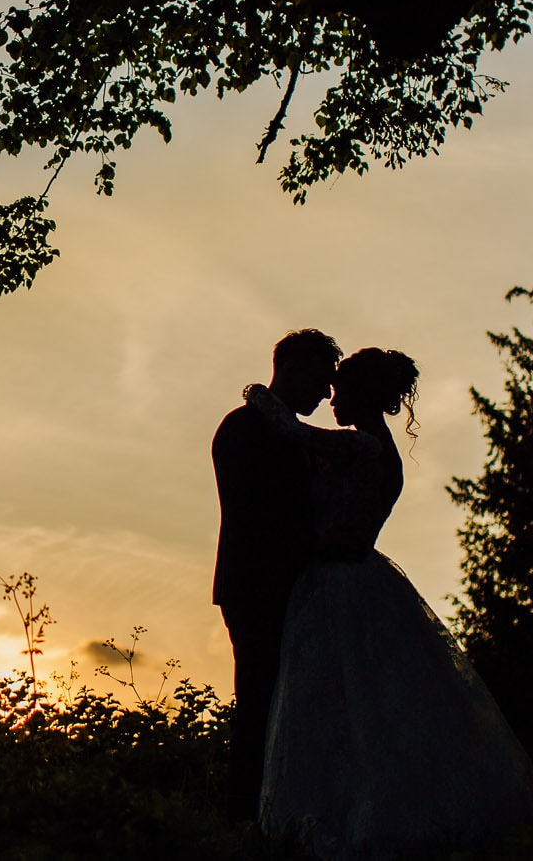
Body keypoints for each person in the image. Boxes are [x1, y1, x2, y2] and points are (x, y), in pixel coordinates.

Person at [251, 348, 533, 859]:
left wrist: (259, 392)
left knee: (353, 704)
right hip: (345, 582)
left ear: (361, 395)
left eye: (338, 388)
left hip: (342, 587)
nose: (330, 398)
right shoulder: (372, 449)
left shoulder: (364, 448)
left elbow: (290, 430)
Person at [211, 328, 342, 824]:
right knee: (259, 704)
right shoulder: (244, 429)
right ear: (289, 366)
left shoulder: (294, 435)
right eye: (320, 377)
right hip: (256, 587)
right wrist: (314, 546)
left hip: (297, 586)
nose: (326, 393)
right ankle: (243, 819)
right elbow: (251, 516)